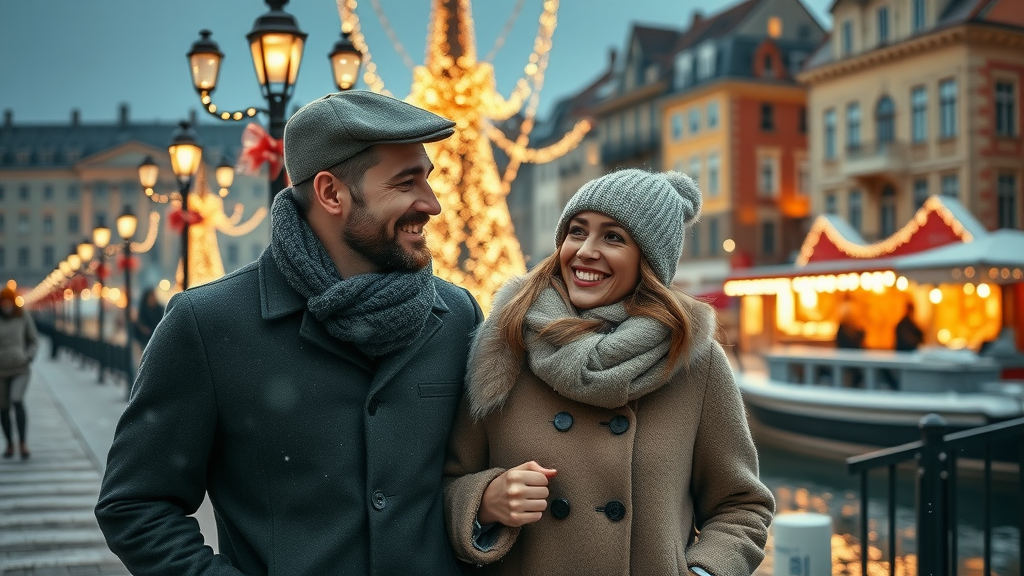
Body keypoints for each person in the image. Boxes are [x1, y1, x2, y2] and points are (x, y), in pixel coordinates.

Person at [95, 91, 482, 575]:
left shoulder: (458, 316)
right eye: (407, 184)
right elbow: (135, 505)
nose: (432, 204)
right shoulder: (207, 324)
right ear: (331, 193)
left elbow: (475, 476)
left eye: (427, 180)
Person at [443, 169, 775, 576]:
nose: (585, 250)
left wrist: (705, 572)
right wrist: (485, 501)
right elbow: (446, 484)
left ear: (648, 260)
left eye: (613, 237)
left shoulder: (692, 360)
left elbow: (742, 506)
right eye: (577, 231)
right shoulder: (505, 342)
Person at [0, 286, 38, 460]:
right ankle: (9, 443)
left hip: (20, 369)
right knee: (3, 408)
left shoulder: (23, 316)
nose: (5, 305)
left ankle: (22, 442)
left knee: (16, 400)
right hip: (1, 371)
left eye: (8, 302)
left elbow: (33, 340)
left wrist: (28, 356)